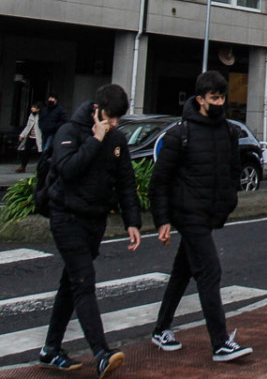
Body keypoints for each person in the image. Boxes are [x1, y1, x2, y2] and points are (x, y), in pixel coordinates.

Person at [39, 84, 141, 378]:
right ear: (97, 110)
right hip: (66, 217)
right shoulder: (69, 132)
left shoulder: (118, 139)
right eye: (110, 117)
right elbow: (67, 170)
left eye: (118, 119)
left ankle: (50, 350)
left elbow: (125, 183)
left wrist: (132, 222)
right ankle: (101, 353)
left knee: (70, 285)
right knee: (83, 281)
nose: (114, 124)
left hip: (93, 221)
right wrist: (94, 141)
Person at [149, 70, 252, 362]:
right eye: (214, 98)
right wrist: (163, 220)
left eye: (222, 97)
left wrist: (229, 201)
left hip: (210, 213)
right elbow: (160, 181)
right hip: (189, 212)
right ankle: (219, 342)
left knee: (183, 271)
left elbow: (233, 171)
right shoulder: (180, 134)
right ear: (200, 99)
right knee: (209, 271)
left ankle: (161, 328)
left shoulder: (228, 132)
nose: (219, 102)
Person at [15, 102, 43, 173]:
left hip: (38, 137)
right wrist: (22, 135)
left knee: (41, 152)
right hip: (30, 136)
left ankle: (41, 168)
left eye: (33, 107)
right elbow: (28, 126)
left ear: (38, 109)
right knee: (26, 151)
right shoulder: (31, 115)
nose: (32, 109)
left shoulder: (42, 116)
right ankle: (23, 166)